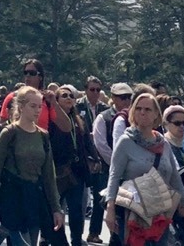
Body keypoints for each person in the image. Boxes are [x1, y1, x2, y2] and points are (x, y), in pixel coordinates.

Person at [105, 92, 184, 246]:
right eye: (139, 108)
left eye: (148, 109)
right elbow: (114, 176)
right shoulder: (126, 141)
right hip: (133, 214)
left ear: (156, 114)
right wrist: (110, 209)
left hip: (159, 214)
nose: (142, 112)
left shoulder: (163, 144)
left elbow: (175, 180)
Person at [0, 85, 64, 246]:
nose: (37, 110)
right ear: (21, 107)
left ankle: (3, 232)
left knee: (32, 240)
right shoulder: (9, 133)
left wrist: (56, 209)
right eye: (33, 106)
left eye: (40, 106)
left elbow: (49, 175)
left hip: (34, 198)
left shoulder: (43, 136)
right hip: (12, 198)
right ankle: (4, 229)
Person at [52, 85, 97, 246]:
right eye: (64, 95)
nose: (69, 98)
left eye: (71, 95)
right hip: (58, 173)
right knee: (57, 210)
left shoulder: (79, 120)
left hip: (77, 173)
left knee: (77, 211)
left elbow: (87, 143)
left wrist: (95, 158)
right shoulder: (52, 121)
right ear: (56, 100)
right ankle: (59, 241)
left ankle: (76, 241)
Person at [76, 76, 107, 245]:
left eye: (97, 90)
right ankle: (77, 232)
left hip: (100, 157)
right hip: (83, 158)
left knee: (100, 196)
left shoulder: (105, 108)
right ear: (85, 89)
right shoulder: (77, 106)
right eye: (92, 89)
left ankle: (94, 232)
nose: (95, 93)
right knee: (81, 198)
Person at [162, 104, 184, 246]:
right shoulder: (163, 144)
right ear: (166, 124)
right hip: (170, 201)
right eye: (177, 123)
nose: (182, 126)